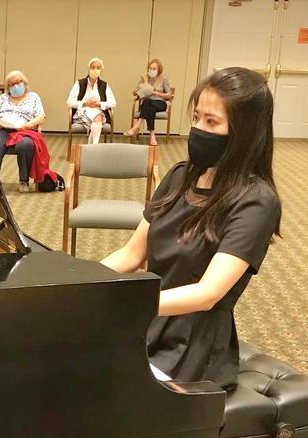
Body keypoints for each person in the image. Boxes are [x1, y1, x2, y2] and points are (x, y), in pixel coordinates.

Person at [101, 67, 282, 390]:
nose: (198, 129)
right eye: (196, 118)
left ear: (243, 133)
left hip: (192, 347)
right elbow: (131, 254)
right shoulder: (179, 176)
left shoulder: (256, 202)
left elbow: (207, 294)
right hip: (146, 322)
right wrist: (76, 283)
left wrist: (129, 305)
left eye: (211, 122)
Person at [0, 70, 47, 192]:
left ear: (25, 83)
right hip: (2, 128)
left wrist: (28, 125)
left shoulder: (33, 97)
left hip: (23, 129)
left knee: (25, 145)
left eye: (19, 82)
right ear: (8, 87)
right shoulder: (3, 98)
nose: (16, 86)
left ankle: (23, 181)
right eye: (12, 84)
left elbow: (41, 116)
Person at [66, 57, 116, 144]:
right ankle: (94, 146)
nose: (95, 70)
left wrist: (99, 104)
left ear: (101, 70)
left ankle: (91, 147)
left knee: (98, 118)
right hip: (82, 112)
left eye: (98, 68)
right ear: (89, 69)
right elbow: (69, 102)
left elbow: (113, 103)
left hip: (98, 111)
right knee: (98, 119)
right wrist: (85, 103)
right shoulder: (80, 83)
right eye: (93, 67)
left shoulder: (104, 85)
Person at [125, 59, 174, 146]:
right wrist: (140, 90)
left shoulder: (163, 79)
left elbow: (169, 95)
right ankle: (152, 136)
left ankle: (137, 126)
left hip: (160, 103)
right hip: (148, 104)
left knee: (147, 103)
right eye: (150, 68)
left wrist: (156, 93)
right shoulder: (144, 78)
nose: (152, 70)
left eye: (154, 69)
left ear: (159, 70)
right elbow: (134, 92)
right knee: (148, 104)